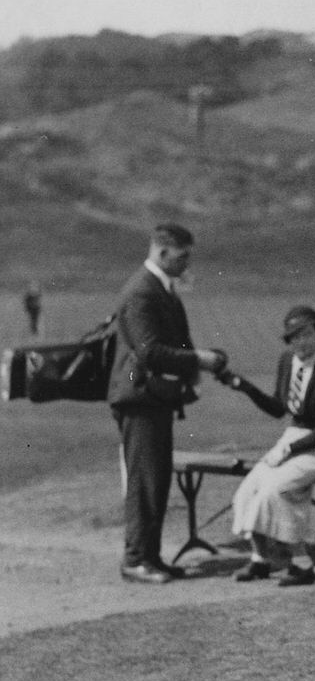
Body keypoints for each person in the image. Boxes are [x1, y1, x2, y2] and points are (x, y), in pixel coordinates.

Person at [107, 222, 227, 585]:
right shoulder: (142, 292)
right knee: (144, 480)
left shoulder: (161, 288)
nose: (187, 262)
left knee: (155, 480)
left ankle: (150, 557)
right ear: (161, 252)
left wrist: (192, 367)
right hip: (138, 397)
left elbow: (175, 341)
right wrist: (200, 361)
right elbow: (149, 351)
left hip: (151, 397)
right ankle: (135, 560)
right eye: (182, 255)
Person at [220, 306, 315, 587]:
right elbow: (279, 409)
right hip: (293, 438)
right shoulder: (288, 360)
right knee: (248, 490)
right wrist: (245, 387)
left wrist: (290, 449)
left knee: (277, 489)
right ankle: (259, 560)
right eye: (295, 337)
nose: (302, 342)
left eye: (308, 334)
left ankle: (302, 564)